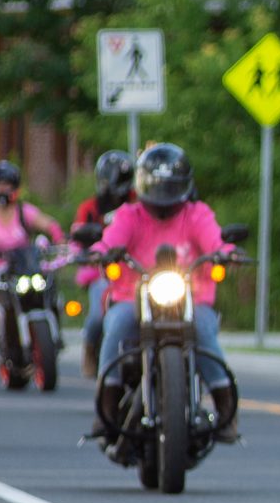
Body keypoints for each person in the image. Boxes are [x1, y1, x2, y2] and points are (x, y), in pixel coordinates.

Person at [91, 143, 241, 443]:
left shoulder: (196, 214)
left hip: (191, 299)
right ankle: (105, 407)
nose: (162, 195)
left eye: (169, 186)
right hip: (132, 298)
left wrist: (228, 253)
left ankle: (227, 410)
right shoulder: (129, 215)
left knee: (203, 329)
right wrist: (100, 253)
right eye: (156, 186)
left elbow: (215, 241)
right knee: (117, 325)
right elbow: (107, 243)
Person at [73, 150, 137, 377]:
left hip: (136, 270)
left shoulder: (137, 205)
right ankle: (91, 351)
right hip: (101, 270)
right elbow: (78, 237)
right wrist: (89, 253)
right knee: (99, 315)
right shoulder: (90, 208)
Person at [0, 160, 65, 260]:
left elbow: (49, 224)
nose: (2, 188)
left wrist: (59, 238)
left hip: (23, 268)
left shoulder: (24, 211)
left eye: (7, 184)